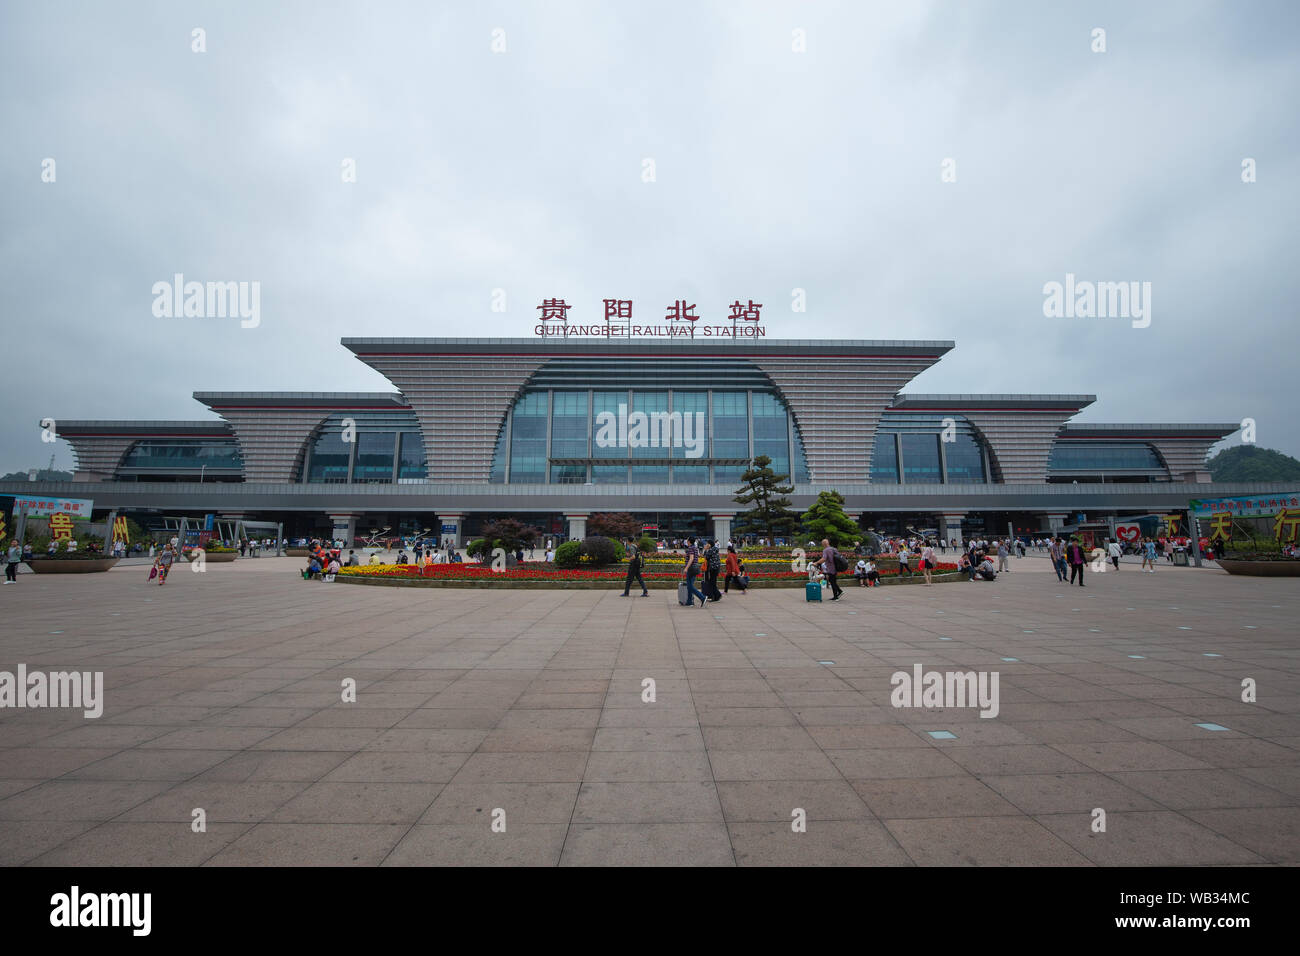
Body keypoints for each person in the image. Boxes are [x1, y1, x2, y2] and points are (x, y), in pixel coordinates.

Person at [682, 537, 709, 607]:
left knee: (689, 586)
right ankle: (689, 601)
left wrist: (686, 568)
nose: (686, 541)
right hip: (695, 568)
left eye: (687, 540)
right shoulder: (695, 548)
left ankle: (702, 597)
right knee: (690, 585)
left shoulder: (691, 548)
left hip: (691, 568)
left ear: (689, 541)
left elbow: (691, 558)